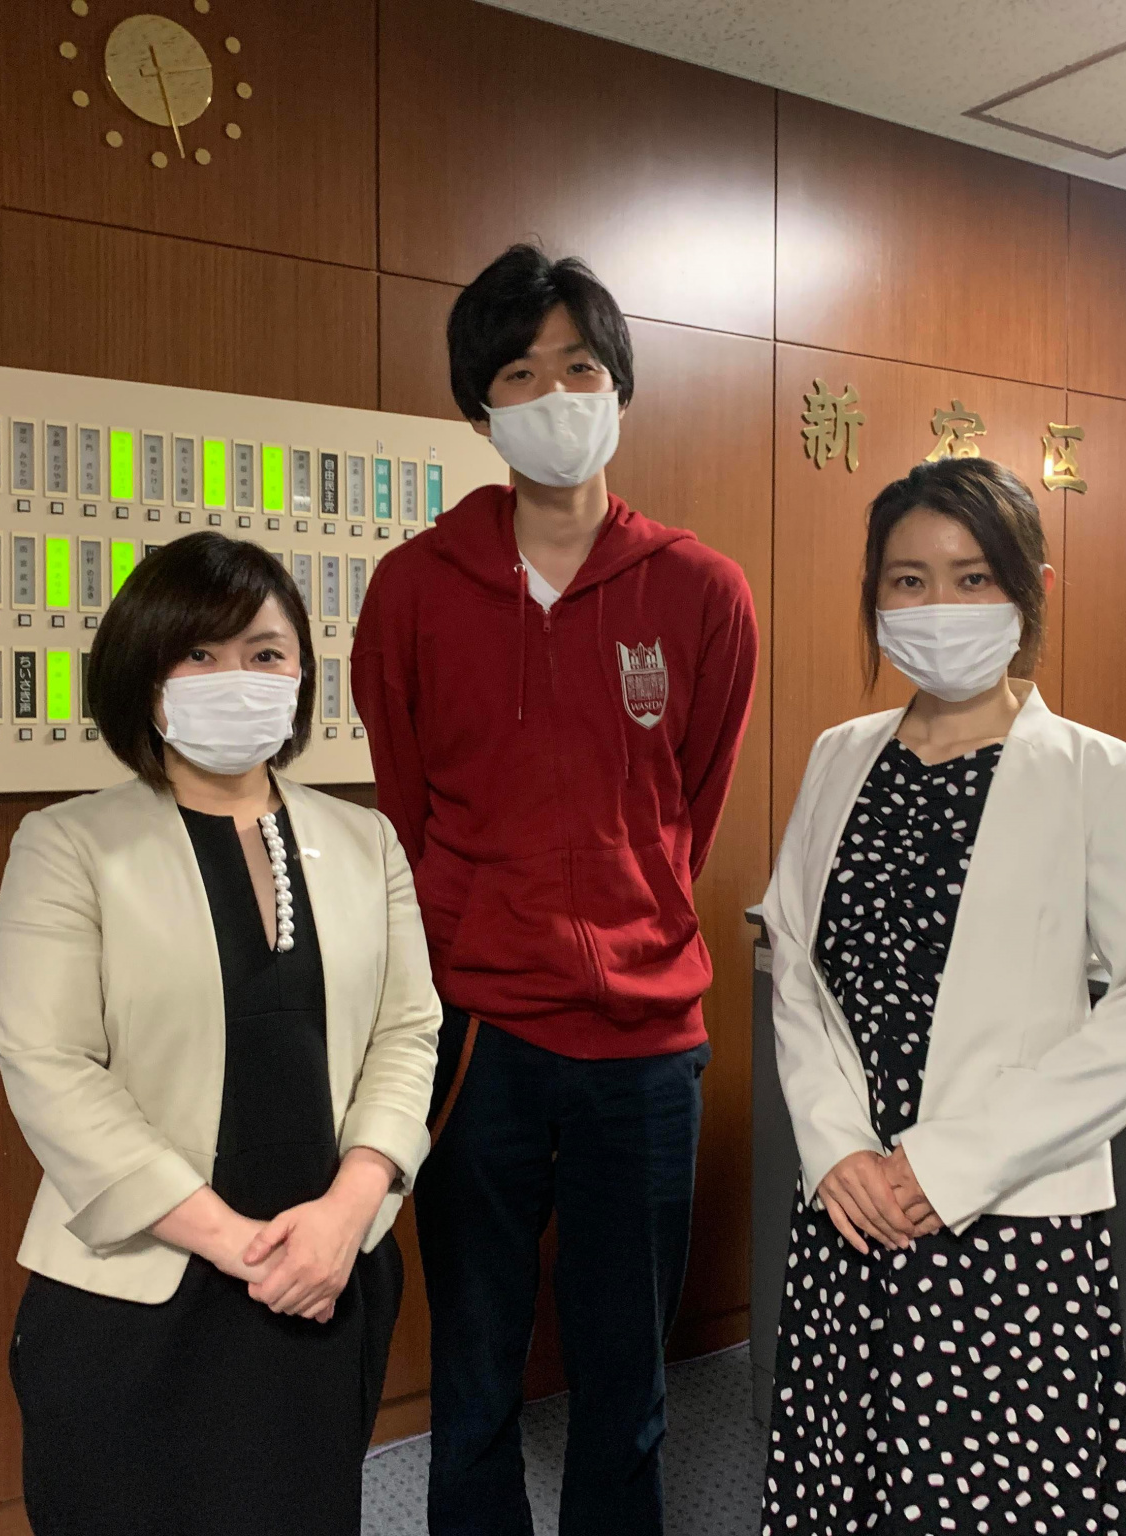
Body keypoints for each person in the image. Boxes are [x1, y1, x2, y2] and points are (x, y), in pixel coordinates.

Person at [351, 244, 759, 1536]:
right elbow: (407, 805)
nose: (554, 395)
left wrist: (627, 913)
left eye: (578, 367)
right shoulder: (412, 591)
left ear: (619, 388)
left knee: (627, 1372)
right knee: (474, 1366)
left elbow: (689, 804)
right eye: (520, 374)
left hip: (646, 1041)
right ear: (480, 409)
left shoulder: (700, 589)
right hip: (476, 1033)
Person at [760, 457, 1126, 1535]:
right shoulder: (838, 757)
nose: (939, 606)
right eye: (907, 581)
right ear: (875, 596)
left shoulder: (1101, 773)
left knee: (1002, 1503)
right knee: (847, 1491)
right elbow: (794, 961)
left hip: (1006, 1226)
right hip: (852, 1212)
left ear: (1029, 591)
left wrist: (943, 1165)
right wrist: (836, 1149)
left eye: (972, 578)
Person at [0, 533, 441, 1536]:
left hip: (325, 1278)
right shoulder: (67, 845)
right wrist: (241, 1246)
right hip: (138, 1290)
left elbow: (410, 1032)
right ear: (143, 676)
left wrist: (346, 1214)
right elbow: (51, 1066)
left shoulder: (365, 841)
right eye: (197, 653)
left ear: (301, 675)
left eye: (263, 652)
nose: (234, 676)